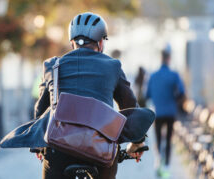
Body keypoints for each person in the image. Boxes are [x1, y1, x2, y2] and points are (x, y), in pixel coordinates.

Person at [34, 12, 145, 179]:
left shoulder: (53, 65)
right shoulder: (113, 66)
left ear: (72, 43)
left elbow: (41, 110)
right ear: (100, 43)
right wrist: (137, 143)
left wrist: (38, 145)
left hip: (59, 150)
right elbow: (130, 107)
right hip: (100, 152)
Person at [146, 45, 185, 178]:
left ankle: (158, 162)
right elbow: (181, 93)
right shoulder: (174, 75)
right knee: (168, 139)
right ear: (169, 59)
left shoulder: (153, 76)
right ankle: (167, 166)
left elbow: (148, 95)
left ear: (161, 58)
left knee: (157, 138)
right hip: (171, 112)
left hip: (158, 112)